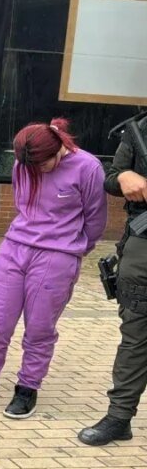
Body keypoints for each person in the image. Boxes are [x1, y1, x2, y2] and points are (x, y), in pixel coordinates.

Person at [0, 119, 106, 418]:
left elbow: (95, 219)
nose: (37, 170)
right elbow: (23, 204)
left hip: (57, 255)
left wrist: (74, 250)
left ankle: (27, 388)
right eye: (30, 166)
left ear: (58, 149)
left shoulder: (88, 167)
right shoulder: (23, 163)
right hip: (14, 248)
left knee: (39, 328)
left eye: (43, 164)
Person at [79, 113, 147, 445]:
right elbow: (110, 177)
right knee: (135, 333)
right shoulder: (141, 128)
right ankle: (119, 417)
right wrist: (124, 177)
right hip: (143, 242)